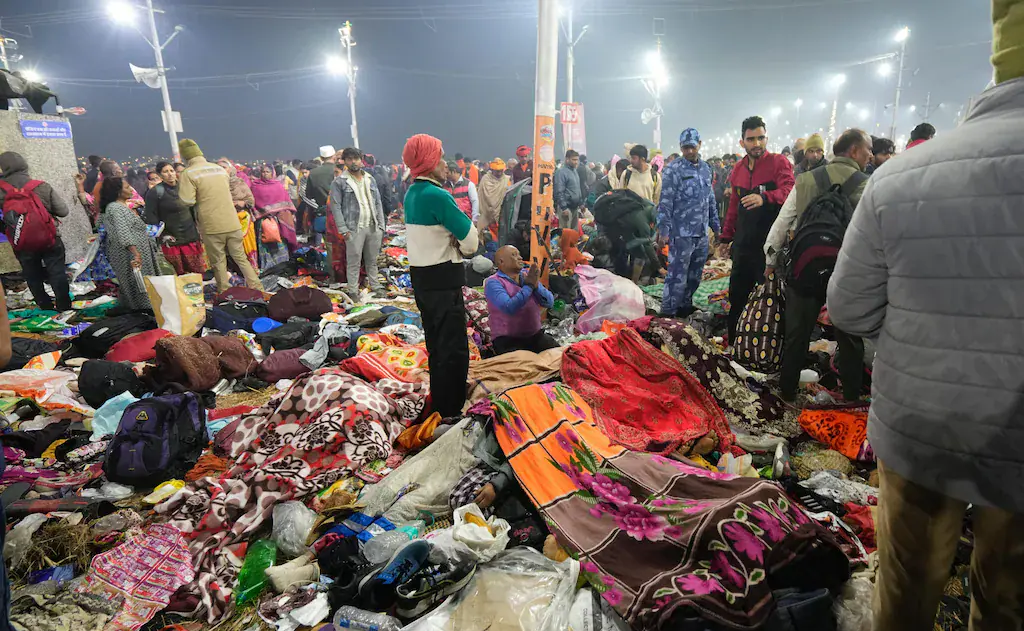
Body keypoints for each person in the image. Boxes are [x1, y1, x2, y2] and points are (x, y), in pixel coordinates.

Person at [827, 4, 1024, 626]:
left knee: (905, 596)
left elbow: (850, 306)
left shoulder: (898, 177)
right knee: (1007, 602)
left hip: (919, 429)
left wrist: (916, 341)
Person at [763, 129, 872, 402]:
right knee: (849, 338)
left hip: (805, 267)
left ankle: (787, 393)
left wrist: (770, 260)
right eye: (868, 149)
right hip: (847, 272)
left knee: (797, 335)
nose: (870, 155)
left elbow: (783, 221)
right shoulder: (868, 185)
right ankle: (850, 397)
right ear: (855, 151)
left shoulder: (806, 180)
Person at [402, 133, 479, 418]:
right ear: (429, 161)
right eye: (440, 156)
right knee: (454, 348)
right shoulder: (438, 195)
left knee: (437, 345)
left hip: (422, 280)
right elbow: (471, 241)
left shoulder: (412, 193)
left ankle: (441, 400)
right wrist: (460, 243)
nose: (445, 162)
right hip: (444, 279)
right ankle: (451, 408)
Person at [720, 115, 795, 344]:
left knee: (771, 297)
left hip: (770, 245)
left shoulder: (778, 163)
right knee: (737, 295)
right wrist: (725, 237)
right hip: (743, 244)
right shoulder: (738, 170)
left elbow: (791, 192)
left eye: (761, 138)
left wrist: (766, 198)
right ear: (742, 142)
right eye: (751, 139)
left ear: (766, 138)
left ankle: (769, 346)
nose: (757, 144)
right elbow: (733, 206)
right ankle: (735, 345)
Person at [177, 139, 262, 292]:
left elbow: (187, 200)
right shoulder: (219, 169)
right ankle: (257, 288)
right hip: (232, 222)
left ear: (185, 157)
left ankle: (225, 293)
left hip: (212, 225)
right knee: (241, 258)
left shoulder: (188, 173)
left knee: (219, 262)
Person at [656, 128, 720, 317]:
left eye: (692, 147)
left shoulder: (706, 169)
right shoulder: (673, 170)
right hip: (681, 233)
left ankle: (685, 307)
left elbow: (710, 200)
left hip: (701, 233)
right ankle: (667, 312)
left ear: (699, 145)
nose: (690, 151)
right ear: (681, 148)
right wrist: (664, 230)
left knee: (694, 276)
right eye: (685, 148)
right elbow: (665, 202)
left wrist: (716, 227)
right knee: (676, 276)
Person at [0, 151, 72, 312]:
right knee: (57, 272)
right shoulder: (41, 186)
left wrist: (8, 229)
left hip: (22, 241)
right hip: (50, 238)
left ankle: (45, 307)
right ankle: (64, 307)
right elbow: (63, 211)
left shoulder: (1, 190)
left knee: (32, 275)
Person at [330, 147, 386, 299]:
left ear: (361, 160)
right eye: (349, 159)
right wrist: (343, 229)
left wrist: (381, 226)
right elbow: (335, 207)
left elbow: (378, 203)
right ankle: (353, 290)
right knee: (353, 261)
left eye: (356, 158)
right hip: (354, 228)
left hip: (373, 225)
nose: (353, 162)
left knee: (372, 260)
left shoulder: (370, 179)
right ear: (345, 161)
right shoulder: (340, 182)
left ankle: (375, 285)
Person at [485, 245, 559, 355]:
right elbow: (509, 308)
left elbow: (549, 302)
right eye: (514, 255)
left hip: (535, 336)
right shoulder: (493, 282)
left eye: (519, 254)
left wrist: (536, 285)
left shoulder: (525, 276)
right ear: (501, 262)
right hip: (508, 340)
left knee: (560, 357)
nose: (520, 257)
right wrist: (528, 286)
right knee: (524, 366)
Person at [99, 177, 160, 310]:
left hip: (134, 250)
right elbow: (123, 232)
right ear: (118, 191)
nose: (131, 189)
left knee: (140, 281)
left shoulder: (121, 206)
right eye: (127, 187)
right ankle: (144, 310)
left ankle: (145, 308)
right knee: (138, 283)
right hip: (129, 253)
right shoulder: (115, 208)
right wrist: (135, 254)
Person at [144, 160, 205, 275]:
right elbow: (151, 217)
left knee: (197, 273)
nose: (170, 174)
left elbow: (194, 210)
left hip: (190, 236)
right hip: (171, 240)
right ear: (160, 175)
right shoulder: (155, 193)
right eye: (165, 172)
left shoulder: (185, 187)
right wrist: (161, 236)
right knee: (178, 274)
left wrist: (200, 231)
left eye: (171, 170)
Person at [250, 164, 298, 270]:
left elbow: (286, 202)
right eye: (263, 172)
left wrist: (279, 213)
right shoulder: (255, 186)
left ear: (272, 173)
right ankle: (267, 266)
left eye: (267, 172)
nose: (265, 174)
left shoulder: (278, 186)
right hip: (262, 221)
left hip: (278, 220)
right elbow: (253, 203)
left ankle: (282, 264)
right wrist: (266, 212)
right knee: (265, 244)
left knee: (279, 242)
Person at [477, 158, 509, 239]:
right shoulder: (485, 179)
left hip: (501, 215)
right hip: (486, 214)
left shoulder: (507, 179)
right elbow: (482, 197)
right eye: (497, 171)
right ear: (492, 170)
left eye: (501, 170)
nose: (500, 173)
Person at [554, 149, 583, 229]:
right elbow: (559, 191)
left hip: (575, 208)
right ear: (567, 159)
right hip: (566, 208)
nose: (576, 162)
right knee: (565, 234)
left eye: (577, 160)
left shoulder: (575, 171)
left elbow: (577, 189)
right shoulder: (561, 172)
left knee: (574, 234)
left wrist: (581, 203)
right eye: (573, 160)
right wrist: (564, 207)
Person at [363, 154, 395, 219]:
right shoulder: (382, 172)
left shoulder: (362, 175)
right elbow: (387, 192)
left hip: (367, 213)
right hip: (381, 210)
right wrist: (387, 210)